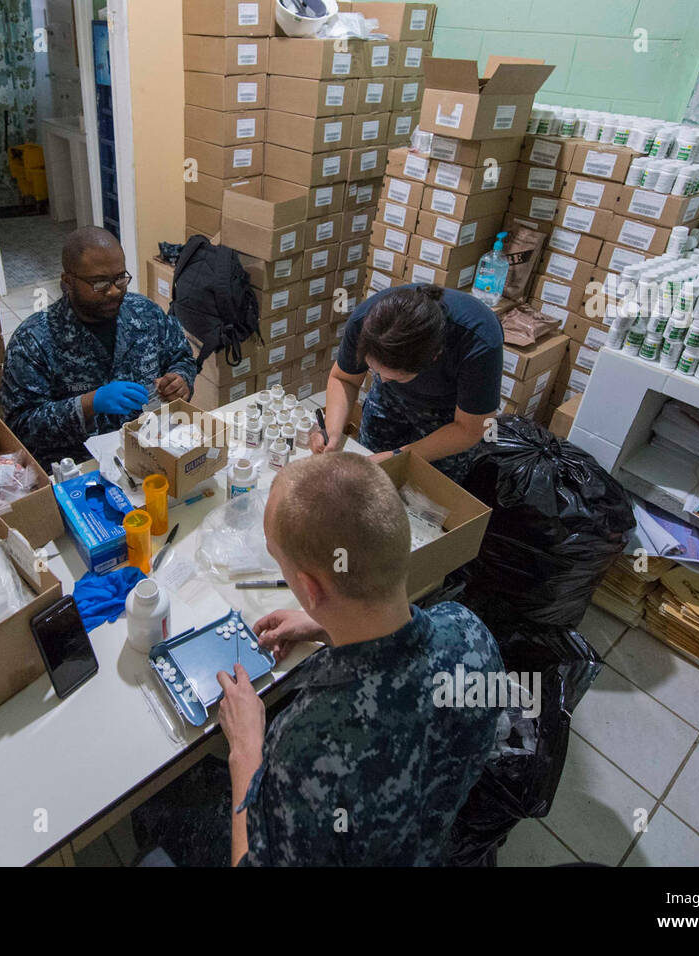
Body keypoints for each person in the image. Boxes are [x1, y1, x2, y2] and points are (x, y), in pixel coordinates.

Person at [130, 453, 501, 866]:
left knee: (157, 806)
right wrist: (325, 623)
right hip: (426, 842)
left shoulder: (310, 745)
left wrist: (247, 749)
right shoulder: (471, 632)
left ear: (307, 587)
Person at [0, 227, 197, 467]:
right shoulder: (33, 341)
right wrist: (87, 405)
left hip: (150, 452)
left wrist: (180, 379)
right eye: (99, 283)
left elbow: (182, 357)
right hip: (80, 469)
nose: (113, 291)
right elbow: (20, 428)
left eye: (120, 278)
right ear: (68, 282)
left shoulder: (146, 314)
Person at [312, 283, 503, 482]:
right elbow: (344, 379)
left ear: (435, 357)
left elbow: (470, 429)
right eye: (375, 371)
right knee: (367, 475)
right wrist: (332, 431)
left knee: (428, 488)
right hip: (388, 402)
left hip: (450, 418)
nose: (382, 380)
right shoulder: (366, 321)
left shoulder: (480, 343)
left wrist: (396, 456)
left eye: (396, 376)